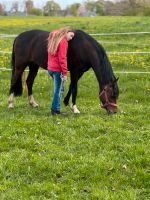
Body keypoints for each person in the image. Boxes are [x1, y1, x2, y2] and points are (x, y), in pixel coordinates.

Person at [47, 27, 75, 115]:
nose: (71, 38)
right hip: (58, 70)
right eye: (71, 35)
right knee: (58, 90)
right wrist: (65, 73)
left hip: (50, 69)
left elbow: (52, 32)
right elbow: (62, 58)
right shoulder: (63, 42)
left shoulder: (53, 38)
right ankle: (55, 110)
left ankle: (55, 109)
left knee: (59, 89)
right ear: (66, 32)